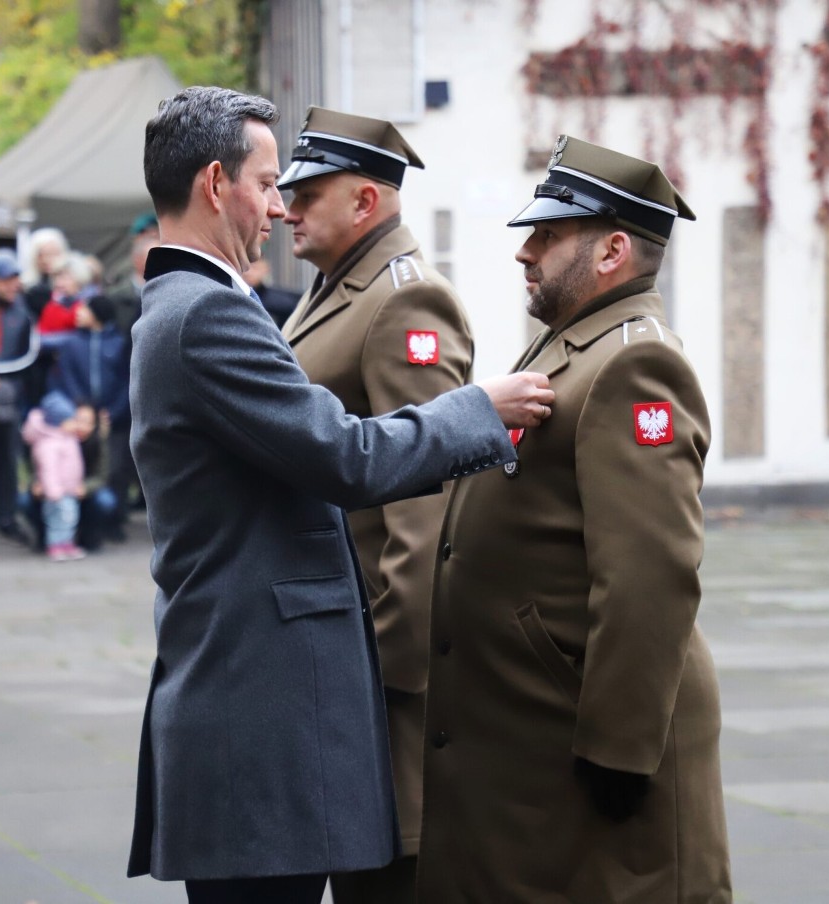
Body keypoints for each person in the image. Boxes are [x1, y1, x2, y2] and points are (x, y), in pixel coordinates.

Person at [126, 85, 554, 904]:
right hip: (263, 699)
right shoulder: (206, 314)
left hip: (247, 685)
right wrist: (478, 411)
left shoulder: (188, 306)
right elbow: (345, 457)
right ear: (217, 185)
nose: (277, 208)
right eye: (265, 182)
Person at [416, 135, 733, 903]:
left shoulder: (634, 363)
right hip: (527, 734)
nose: (526, 252)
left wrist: (619, 755)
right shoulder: (573, 343)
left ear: (613, 249)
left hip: (584, 749)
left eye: (549, 236)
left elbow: (648, 575)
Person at [278, 105, 474, 904]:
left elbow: (427, 507)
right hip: (336, 655)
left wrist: (385, 675)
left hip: (380, 678)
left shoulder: (404, 302)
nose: (288, 208)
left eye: (309, 193)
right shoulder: (335, 289)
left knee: (391, 880)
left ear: (366, 202)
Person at [50, 294, 132, 536]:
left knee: (116, 469)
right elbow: (66, 377)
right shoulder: (72, 344)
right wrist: (81, 408)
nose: (77, 312)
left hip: (112, 417)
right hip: (81, 417)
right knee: (80, 467)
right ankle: (80, 524)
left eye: (84, 309)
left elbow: (126, 380)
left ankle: (116, 519)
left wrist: (114, 410)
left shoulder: (118, 343)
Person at [0, 248, 38, 544]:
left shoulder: (23, 311)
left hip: (8, 397)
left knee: (7, 457)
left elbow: (29, 354)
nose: (12, 286)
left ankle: (5, 515)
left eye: (15, 279)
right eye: (6, 280)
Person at [21, 389, 86, 562]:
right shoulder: (49, 445)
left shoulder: (67, 438)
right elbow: (48, 471)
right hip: (57, 493)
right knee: (58, 520)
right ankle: (56, 545)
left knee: (69, 519)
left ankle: (66, 544)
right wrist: (54, 492)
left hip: (69, 489)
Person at [21, 227, 70, 318]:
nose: (46, 260)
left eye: (53, 254)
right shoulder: (27, 288)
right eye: (41, 255)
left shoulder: (71, 287)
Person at [243, 255, 299, 327]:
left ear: (265, 269)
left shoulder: (282, 303)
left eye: (254, 268)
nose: (248, 273)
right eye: (245, 268)